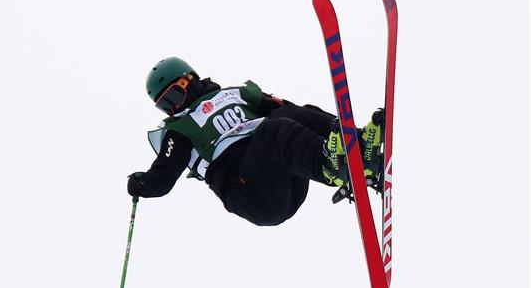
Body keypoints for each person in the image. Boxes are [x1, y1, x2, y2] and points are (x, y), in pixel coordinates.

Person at [127, 57, 383, 227]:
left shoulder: (235, 94)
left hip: (282, 176)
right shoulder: (179, 129)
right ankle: (329, 166)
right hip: (248, 190)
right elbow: (164, 174)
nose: (175, 107)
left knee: (292, 113)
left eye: (175, 95)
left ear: (190, 79)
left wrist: (335, 129)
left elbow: (293, 112)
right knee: (275, 128)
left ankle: (360, 151)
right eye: (166, 106)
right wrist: (143, 184)